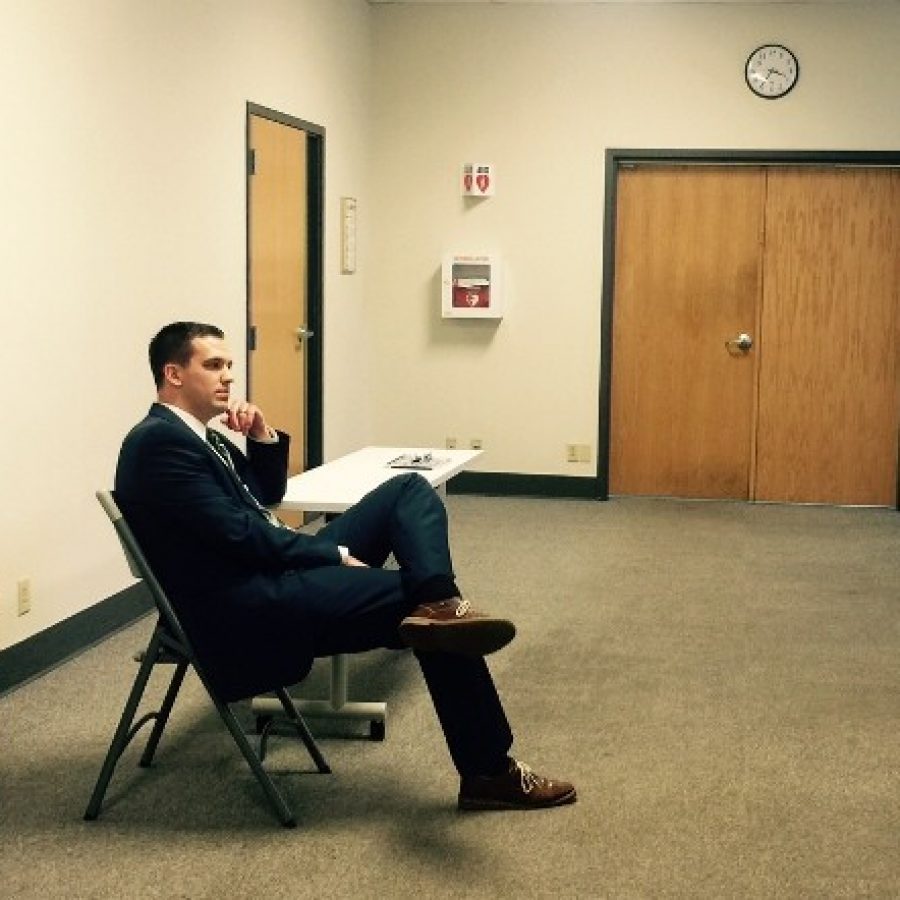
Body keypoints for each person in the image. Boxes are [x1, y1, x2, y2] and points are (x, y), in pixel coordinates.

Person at [115, 321, 576, 811]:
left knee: (407, 489)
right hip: (248, 602)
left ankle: (442, 600)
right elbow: (242, 536)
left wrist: (264, 436)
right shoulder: (159, 444)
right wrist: (328, 553)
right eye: (213, 365)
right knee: (414, 602)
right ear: (174, 374)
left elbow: (264, 497)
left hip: (271, 568)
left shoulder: (201, 437)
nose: (229, 376)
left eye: (229, 365)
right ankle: (488, 770)